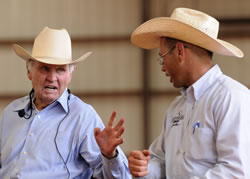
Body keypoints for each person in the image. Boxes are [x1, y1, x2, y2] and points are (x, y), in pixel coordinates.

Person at [128, 7, 250, 178]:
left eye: (163, 57)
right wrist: (145, 168)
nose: (162, 67)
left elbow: (236, 171)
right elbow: (162, 162)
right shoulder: (177, 107)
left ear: (179, 51)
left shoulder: (231, 97)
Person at [0, 27, 132, 179]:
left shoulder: (82, 116)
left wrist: (109, 156)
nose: (52, 77)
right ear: (29, 71)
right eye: (45, 68)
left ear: (70, 74)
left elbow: (121, 178)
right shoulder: (11, 112)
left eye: (60, 70)